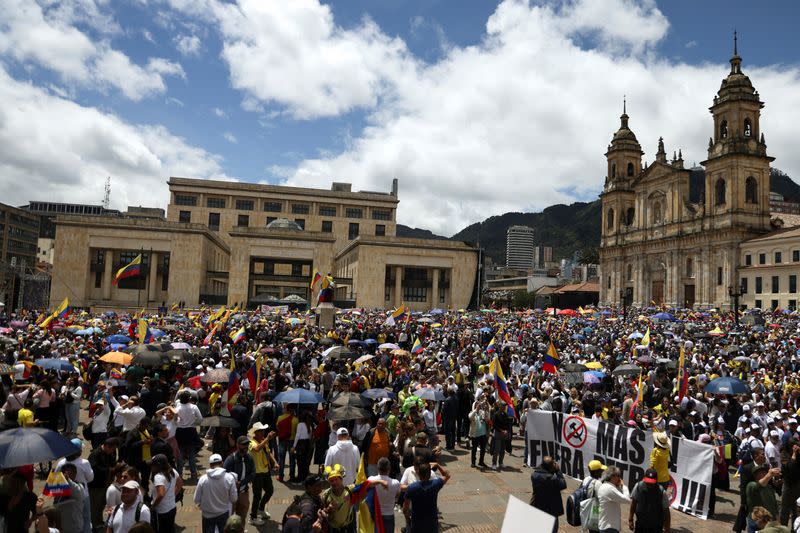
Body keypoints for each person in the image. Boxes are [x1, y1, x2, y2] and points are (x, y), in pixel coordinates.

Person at [321, 464, 385, 533]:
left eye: (336, 479)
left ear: (341, 479)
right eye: (331, 480)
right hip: (332, 530)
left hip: (347, 529)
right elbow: (320, 513)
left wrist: (380, 482)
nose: (334, 482)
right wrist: (328, 509)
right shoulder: (325, 495)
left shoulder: (350, 490)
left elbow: (365, 485)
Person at [194, 454, 239, 533]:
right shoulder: (229, 478)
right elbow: (234, 499)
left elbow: (196, 500)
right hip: (223, 514)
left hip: (207, 515)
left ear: (210, 465)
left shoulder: (203, 479)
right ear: (222, 463)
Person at [403, 461, 450, 533]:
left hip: (417, 522)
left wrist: (408, 519)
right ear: (430, 474)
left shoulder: (412, 487)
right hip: (432, 522)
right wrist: (437, 465)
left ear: (418, 473)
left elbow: (405, 508)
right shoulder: (436, 484)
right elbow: (447, 475)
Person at [248, 423, 277, 524]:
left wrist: (275, 462)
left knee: (270, 490)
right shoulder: (251, 442)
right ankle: (253, 517)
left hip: (265, 471)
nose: (263, 432)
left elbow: (268, 452)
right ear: (255, 433)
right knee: (257, 495)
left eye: (263, 430)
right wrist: (267, 439)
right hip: (256, 473)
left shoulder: (263, 440)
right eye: (261, 431)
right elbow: (257, 448)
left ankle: (261, 508)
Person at [530, 456, 566, 533]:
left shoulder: (534, 475)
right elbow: (563, 484)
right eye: (553, 463)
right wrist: (558, 471)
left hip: (538, 505)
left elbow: (542, 470)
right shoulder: (552, 479)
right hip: (551, 509)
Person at [224, 435, 255, 524]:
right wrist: (233, 484)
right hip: (231, 494)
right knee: (229, 519)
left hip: (243, 493)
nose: (246, 447)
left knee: (242, 518)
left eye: (247, 445)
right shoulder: (230, 459)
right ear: (237, 445)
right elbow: (225, 475)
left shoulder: (249, 458)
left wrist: (241, 483)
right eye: (243, 445)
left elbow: (253, 474)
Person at [89, 438, 120, 529]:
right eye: (112, 449)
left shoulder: (109, 453)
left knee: (101, 505)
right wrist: (109, 470)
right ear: (106, 446)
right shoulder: (95, 454)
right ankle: (95, 525)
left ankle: (99, 521)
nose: (112, 451)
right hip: (96, 486)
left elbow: (112, 464)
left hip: (105, 484)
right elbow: (94, 470)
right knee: (95, 506)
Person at [628, 468, 670, 533]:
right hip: (640, 524)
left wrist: (667, 529)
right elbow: (634, 503)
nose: (649, 485)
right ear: (644, 478)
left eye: (652, 483)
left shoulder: (661, 492)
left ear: (657, 480)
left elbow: (666, 511)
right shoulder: (638, 486)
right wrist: (630, 519)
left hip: (656, 526)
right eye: (648, 482)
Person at [367, 457, 401, 533]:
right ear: (389, 469)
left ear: (377, 468)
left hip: (374, 515)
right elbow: (397, 496)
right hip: (389, 514)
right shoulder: (396, 483)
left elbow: (366, 485)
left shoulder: (371, 479)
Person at [150, 454, 182, 533]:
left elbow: (161, 494)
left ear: (158, 466)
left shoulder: (158, 477)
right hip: (172, 507)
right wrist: (172, 495)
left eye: (152, 465)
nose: (151, 467)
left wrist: (153, 506)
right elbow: (180, 484)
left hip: (161, 511)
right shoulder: (173, 471)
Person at [175, 391, 203, 480]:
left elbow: (175, 420)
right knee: (191, 454)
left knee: (180, 455)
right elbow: (200, 419)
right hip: (191, 431)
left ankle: (179, 474)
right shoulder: (193, 407)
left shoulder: (177, 408)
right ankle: (194, 473)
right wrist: (194, 423)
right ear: (189, 398)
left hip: (179, 432)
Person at [746, 464, 781, 533]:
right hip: (756, 521)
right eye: (762, 473)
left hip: (768, 521)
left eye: (765, 472)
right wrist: (769, 475)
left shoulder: (769, 487)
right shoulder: (751, 485)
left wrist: (777, 518)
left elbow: (774, 504)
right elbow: (758, 485)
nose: (765, 474)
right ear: (756, 475)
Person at [597, 466, 631, 533]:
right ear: (612, 477)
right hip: (609, 528)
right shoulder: (610, 489)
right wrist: (624, 486)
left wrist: (618, 486)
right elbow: (627, 500)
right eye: (618, 475)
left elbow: (618, 495)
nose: (619, 478)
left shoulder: (605, 486)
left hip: (606, 525)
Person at [581, 460, 606, 533]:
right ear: (596, 472)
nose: (602, 472)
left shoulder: (586, 479)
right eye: (601, 470)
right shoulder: (598, 483)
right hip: (596, 511)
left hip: (588, 509)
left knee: (591, 529)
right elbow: (603, 499)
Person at [468, 399, 489, 468]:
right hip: (475, 434)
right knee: (474, 449)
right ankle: (473, 462)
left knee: (483, 449)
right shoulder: (472, 413)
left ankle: (481, 462)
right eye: (477, 404)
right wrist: (475, 410)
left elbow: (487, 419)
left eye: (479, 405)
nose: (479, 406)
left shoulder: (482, 412)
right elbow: (470, 417)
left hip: (482, 433)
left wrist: (486, 410)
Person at [491, 400, 511, 471]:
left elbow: (508, 424)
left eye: (505, 406)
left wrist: (506, 431)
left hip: (504, 434)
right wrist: (501, 430)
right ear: (500, 406)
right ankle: (494, 463)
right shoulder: (496, 414)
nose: (504, 407)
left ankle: (500, 462)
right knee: (497, 450)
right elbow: (494, 425)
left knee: (502, 449)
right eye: (503, 406)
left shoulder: (505, 414)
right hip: (498, 433)